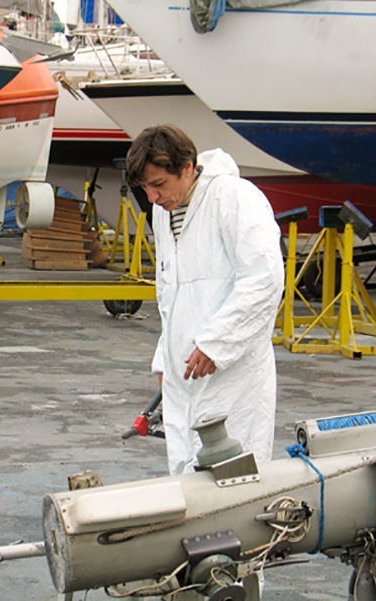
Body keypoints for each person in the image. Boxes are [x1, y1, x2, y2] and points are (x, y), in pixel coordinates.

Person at [126, 124, 284, 475]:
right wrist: (163, 361)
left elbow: (264, 277)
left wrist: (217, 344)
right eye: (145, 188)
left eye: (158, 184)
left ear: (187, 167)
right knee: (186, 475)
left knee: (233, 475)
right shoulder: (165, 213)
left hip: (232, 373)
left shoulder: (234, 197)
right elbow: (171, 293)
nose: (152, 197)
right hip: (185, 373)